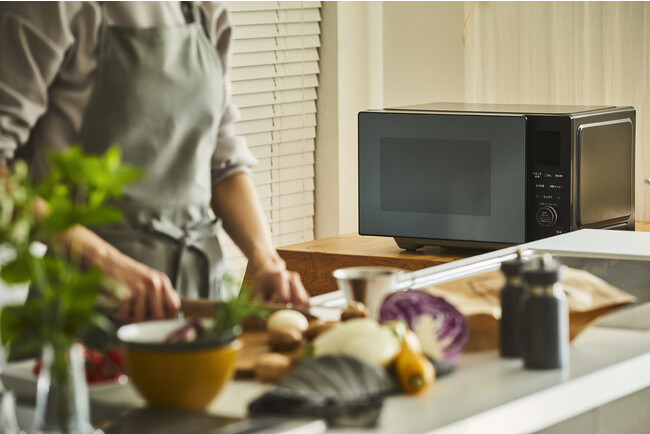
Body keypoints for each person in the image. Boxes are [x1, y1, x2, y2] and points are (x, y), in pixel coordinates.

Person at [0, 2, 310, 323]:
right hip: (86, 303)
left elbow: (219, 157)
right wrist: (107, 263)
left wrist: (265, 260)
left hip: (200, 300)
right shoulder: (48, 7)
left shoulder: (203, 10)